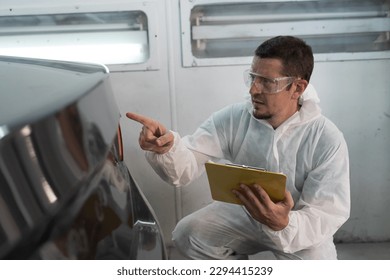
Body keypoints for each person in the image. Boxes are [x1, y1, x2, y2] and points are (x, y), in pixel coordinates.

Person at [127, 36, 350, 260]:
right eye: (253, 77)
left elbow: (326, 212)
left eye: (267, 82)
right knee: (189, 234)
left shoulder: (325, 138)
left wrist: (284, 222)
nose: (254, 90)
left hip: (300, 226)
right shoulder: (235, 118)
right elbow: (188, 164)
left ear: (297, 88)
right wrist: (166, 147)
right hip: (246, 215)